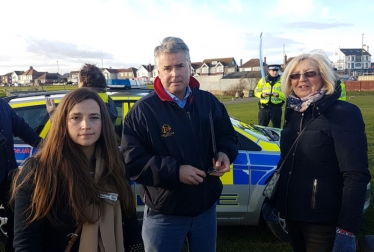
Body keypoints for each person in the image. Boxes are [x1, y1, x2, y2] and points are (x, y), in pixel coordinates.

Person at [121, 36, 238, 252]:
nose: (174, 73)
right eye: (167, 68)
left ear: (189, 67)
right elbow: (132, 161)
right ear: (158, 71)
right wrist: (175, 172)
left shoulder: (208, 102)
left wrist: (225, 153)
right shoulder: (143, 111)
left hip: (205, 209)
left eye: (180, 66)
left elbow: (228, 136)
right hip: (165, 213)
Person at [12, 88, 144, 251]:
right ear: (62, 122)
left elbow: (129, 222)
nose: (86, 126)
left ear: (104, 122)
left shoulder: (115, 165)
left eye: (94, 117)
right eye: (76, 117)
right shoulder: (38, 171)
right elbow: (26, 243)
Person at [275, 52, 371, 252]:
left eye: (310, 73)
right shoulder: (293, 111)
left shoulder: (343, 113)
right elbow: (288, 160)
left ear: (324, 77)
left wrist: (346, 230)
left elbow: (356, 175)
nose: (301, 79)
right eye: (294, 75)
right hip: (293, 214)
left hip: (324, 220)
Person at [0, 98, 42, 252]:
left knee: (16, 221)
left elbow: (23, 129)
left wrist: (48, 148)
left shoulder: (3, 105)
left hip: (9, 177)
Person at [46, 63, 118, 123]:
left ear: (82, 82)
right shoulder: (109, 100)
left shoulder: (79, 101)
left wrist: (52, 112)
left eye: (78, 80)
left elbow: (61, 127)